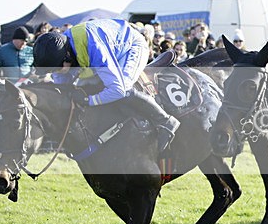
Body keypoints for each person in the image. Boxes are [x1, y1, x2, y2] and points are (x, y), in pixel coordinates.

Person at [32, 19, 180, 153]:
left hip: (132, 46)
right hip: (107, 49)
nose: (55, 73)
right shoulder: (63, 50)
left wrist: (89, 100)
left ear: (67, 57)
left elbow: (118, 90)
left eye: (56, 68)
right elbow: (62, 87)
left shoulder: (93, 48)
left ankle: (165, 121)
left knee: (124, 87)